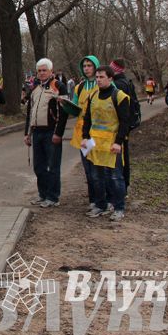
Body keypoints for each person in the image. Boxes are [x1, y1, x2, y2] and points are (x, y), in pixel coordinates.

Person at [81, 65, 131, 222]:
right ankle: (100, 205)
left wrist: (118, 142)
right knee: (96, 176)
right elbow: (87, 118)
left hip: (111, 144)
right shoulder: (93, 96)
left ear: (110, 78)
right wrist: (84, 137)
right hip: (94, 142)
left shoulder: (120, 96)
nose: (98, 80)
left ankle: (118, 207)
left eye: (101, 77)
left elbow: (125, 122)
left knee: (115, 177)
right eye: (96, 77)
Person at [23, 59, 68, 208]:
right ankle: (42, 194)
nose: (41, 73)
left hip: (51, 132)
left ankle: (53, 197)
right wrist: (27, 133)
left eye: (44, 70)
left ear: (51, 71)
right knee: (38, 167)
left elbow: (64, 112)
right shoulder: (35, 88)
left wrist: (58, 133)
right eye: (39, 71)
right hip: (37, 132)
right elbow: (30, 112)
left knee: (53, 166)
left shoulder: (58, 86)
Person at [70, 55, 101, 209]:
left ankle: (105, 200)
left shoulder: (103, 84)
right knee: (88, 169)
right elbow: (75, 109)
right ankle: (93, 200)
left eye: (90, 65)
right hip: (83, 134)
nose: (87, 68)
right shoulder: (79, 87)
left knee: (99, 169)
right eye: (85, 66)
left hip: (99, 134)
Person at [109, 59, 140, 194]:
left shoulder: (118, 85)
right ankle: (124, 185)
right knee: (123, 156)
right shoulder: (127, 82)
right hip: (127, 125)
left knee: (120, 159)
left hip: (121, 126)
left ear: (116, 69)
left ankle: (121, 188)